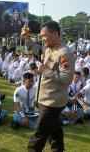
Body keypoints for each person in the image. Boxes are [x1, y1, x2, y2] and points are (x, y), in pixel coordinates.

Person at [28, 21, 75, 152]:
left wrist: (45, 71)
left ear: (55, 33)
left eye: (44, 35)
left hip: (52, 102)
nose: (42, 39)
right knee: (55, 133)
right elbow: (36, 49)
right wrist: (27, 39)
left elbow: (67, 78)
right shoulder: (50, 48)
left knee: (38, 136)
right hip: (45, 99)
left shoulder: (64, 52)